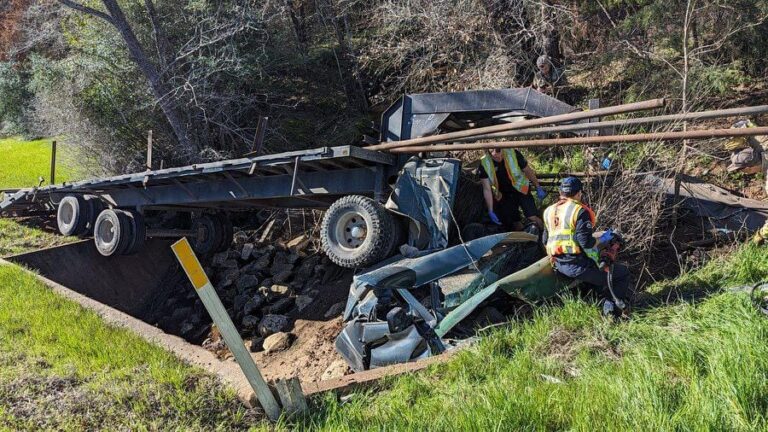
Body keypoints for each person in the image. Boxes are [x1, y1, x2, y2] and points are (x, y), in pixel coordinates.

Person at [542, 177, 633, 314]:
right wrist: (604, 238)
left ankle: (600, 302)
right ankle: (612, 311)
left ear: (561, 193)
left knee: (597, 276)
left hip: (559, 264)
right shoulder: (579, 211)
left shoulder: (549, 211)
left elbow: (545, 240)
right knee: (621, 274)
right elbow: (586, 242)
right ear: (578, 193)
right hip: (578, 265)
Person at [477, 147, 546, 230]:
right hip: (505, 194)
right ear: (489, 155)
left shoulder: (512, 153)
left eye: (500, 156)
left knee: (532, 216)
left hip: (521, 188)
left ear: (502, 150)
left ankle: (543, 233)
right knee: (515, 221)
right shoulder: (484, 163)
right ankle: (524, 239)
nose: (498, 159)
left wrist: (538, 186)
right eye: (495, 157)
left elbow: (527, 170)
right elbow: (487, 189)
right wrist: (490, 210)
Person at [723, 119, 768, 244]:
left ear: (749, 167)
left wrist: (762, 234)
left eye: (741, 170)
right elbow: (747, 124)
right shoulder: (763, 147)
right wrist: (736, 133)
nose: (742, 173)